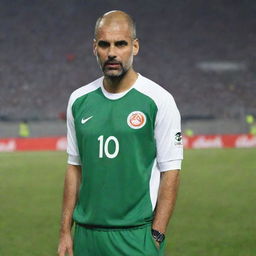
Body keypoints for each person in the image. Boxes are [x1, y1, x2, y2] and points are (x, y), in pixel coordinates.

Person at [58, 10, 183, 256]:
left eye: (121, 44)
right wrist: (65, 231)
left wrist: (157, 234)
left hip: (136, 236)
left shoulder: (159, 100)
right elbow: (74, 168)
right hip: (86, 236)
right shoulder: (78, 100)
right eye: (104, 44)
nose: (112, 52)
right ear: (95, 48)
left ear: (135, 47)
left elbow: (171, 171)